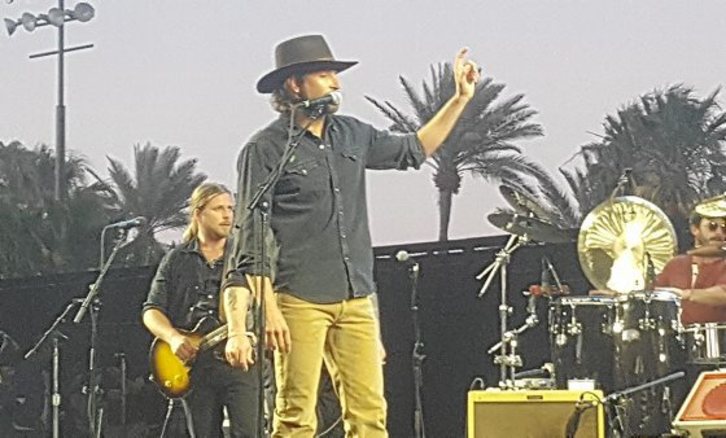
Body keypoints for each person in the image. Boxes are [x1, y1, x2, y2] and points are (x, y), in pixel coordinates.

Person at [222, 34, 479, 437]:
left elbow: (413, 150)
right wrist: (268, 309)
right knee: (295, 417)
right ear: (295, 84)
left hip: (356, 296)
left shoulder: (352, 133)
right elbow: (251, 233)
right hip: (299, 297)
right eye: (325, 75)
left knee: (370, 415)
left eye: (334, 75)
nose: (336, 83)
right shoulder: (265, 149)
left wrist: (460, 99)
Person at [142, 183, 258, 438]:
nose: (227, 215)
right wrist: (173, 338)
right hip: (196, 366)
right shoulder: (176, 259)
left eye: (230, 208)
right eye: (218, 209)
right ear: (198, 214)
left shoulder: (243, 256)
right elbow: (151, 310)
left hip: (240, 361)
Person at [655, 208, 726, 324]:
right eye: (712, 226)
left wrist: (686, 294)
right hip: (678, 333)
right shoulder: (675, 264)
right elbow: (655, 295)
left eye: (724, 228)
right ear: (695, 229)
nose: (719, 233)